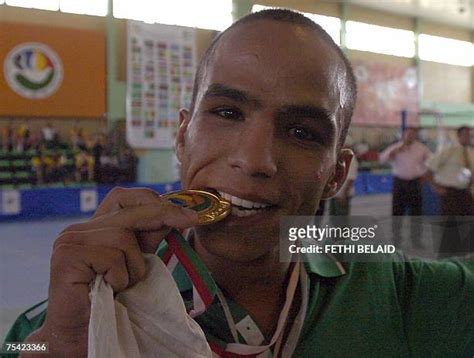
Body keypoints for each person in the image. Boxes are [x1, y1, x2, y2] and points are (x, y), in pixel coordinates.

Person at [4, 9, 474, 357]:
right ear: (183, 135)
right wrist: (58, 343)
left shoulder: (404, 296)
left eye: (302, 133)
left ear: (337, 174)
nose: (254, 160)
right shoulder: (68, 311)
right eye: (227, 113)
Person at [379, 127, 432, 248]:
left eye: (412, 134)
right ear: (403, 135)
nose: (410, 136)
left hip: (415, 182)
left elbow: (432, 161)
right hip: (400, 183)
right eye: (408, 134)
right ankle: (396, 239)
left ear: (415, 136)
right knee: (397, 211)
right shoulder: (396, 147)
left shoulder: (421, 148)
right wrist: (395, 151)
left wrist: (425, 173)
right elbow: (382, 159)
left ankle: (416, 240)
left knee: (416, 213)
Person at [426, 126, 474, 216]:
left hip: (465, 191)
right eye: (465, 135)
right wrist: (436, 187)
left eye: (470, 135)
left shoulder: (471, 152)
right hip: (450, 192)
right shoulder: (448, 150)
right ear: (458, 135)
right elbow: (429, 169)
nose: (468, 137)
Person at [329, 138, 359, 216]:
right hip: (335, 193)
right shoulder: (338, 157)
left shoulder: (351, 159)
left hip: (342, 194)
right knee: (334, 219)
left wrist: (344, 194)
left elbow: (351, 178)